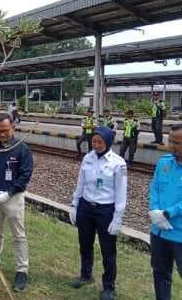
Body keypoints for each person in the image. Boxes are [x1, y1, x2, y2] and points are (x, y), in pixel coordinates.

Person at [69, 126, 127, 300]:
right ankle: (85, 275)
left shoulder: (118, 163)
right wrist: (74, 204)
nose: (96, 144)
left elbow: (121, 193)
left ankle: (109, 286)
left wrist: (118, 218)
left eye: (100, 141)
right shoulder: (88, 158)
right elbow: (81, 183)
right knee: (85, 244)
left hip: (105, 210)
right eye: (94, 141)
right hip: (86, 207)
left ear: (108, 142)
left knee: (108, 250)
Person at [0, 113, 33, 292]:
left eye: (5, 130)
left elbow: (25, 175)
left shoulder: (22, 149)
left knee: (19, 235)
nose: (1, 134)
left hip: (14, 198)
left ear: (13, 128)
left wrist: (8, 193)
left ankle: (22, 270)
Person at [148, 124, 182, 300]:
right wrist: (155, 210)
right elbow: (154, 187)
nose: (171, 146)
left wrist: (168, 213)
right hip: (159, 232)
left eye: (176, 143)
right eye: (170, 141)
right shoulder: (164, 162)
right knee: (160, 273)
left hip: (179, 234)